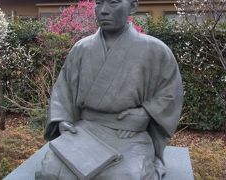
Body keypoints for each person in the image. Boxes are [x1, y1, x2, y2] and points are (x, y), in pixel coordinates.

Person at [36, 0, 183, 179]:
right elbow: (64, 89)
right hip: (84, 132)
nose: (103, 11)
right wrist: (63, 120)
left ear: (133, 6)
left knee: (125, 176)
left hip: (129, 134)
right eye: (99, 3)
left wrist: (146, 113)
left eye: (113, 3)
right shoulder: (82, 48)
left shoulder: (156, 50)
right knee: (50, 173)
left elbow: (170, 93)